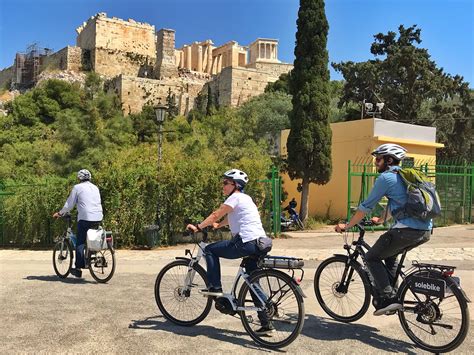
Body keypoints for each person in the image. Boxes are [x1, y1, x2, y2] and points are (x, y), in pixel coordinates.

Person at [335, 144, 431, 316]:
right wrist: (380, 220)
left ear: (388, 160)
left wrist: (347, 225)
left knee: (371, 258)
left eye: (378, 159)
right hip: (425, 230)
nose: (375, 163)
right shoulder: (403, 177)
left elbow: (365, 206)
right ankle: (394, 295)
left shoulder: (386, 178)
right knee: (389, 255)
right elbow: (398, 203)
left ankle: (388, 298)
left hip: (406, 230)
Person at [186, 168, 273, 334]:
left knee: (210, 250)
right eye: (223, 183)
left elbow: (215, 214)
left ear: (236, 185)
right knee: (252, 281)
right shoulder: (246, 199)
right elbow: (232, 217)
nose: (223, 186)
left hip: (245, 242)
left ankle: (215, 288)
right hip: (260, 243)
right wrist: (219, 225)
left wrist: (198, 227)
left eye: (226, 183)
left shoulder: (235, 197)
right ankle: (266, 322)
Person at [53, 169, 103, 278]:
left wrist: (60, 213)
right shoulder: (95, 187)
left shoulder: (77, 187)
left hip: (85, 218)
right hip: (98, 216)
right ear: (89, 177)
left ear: (79, 178)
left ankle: (79, 267)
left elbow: (69, 205)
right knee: (91, 238)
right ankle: (93, 255)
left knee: (80, 242)